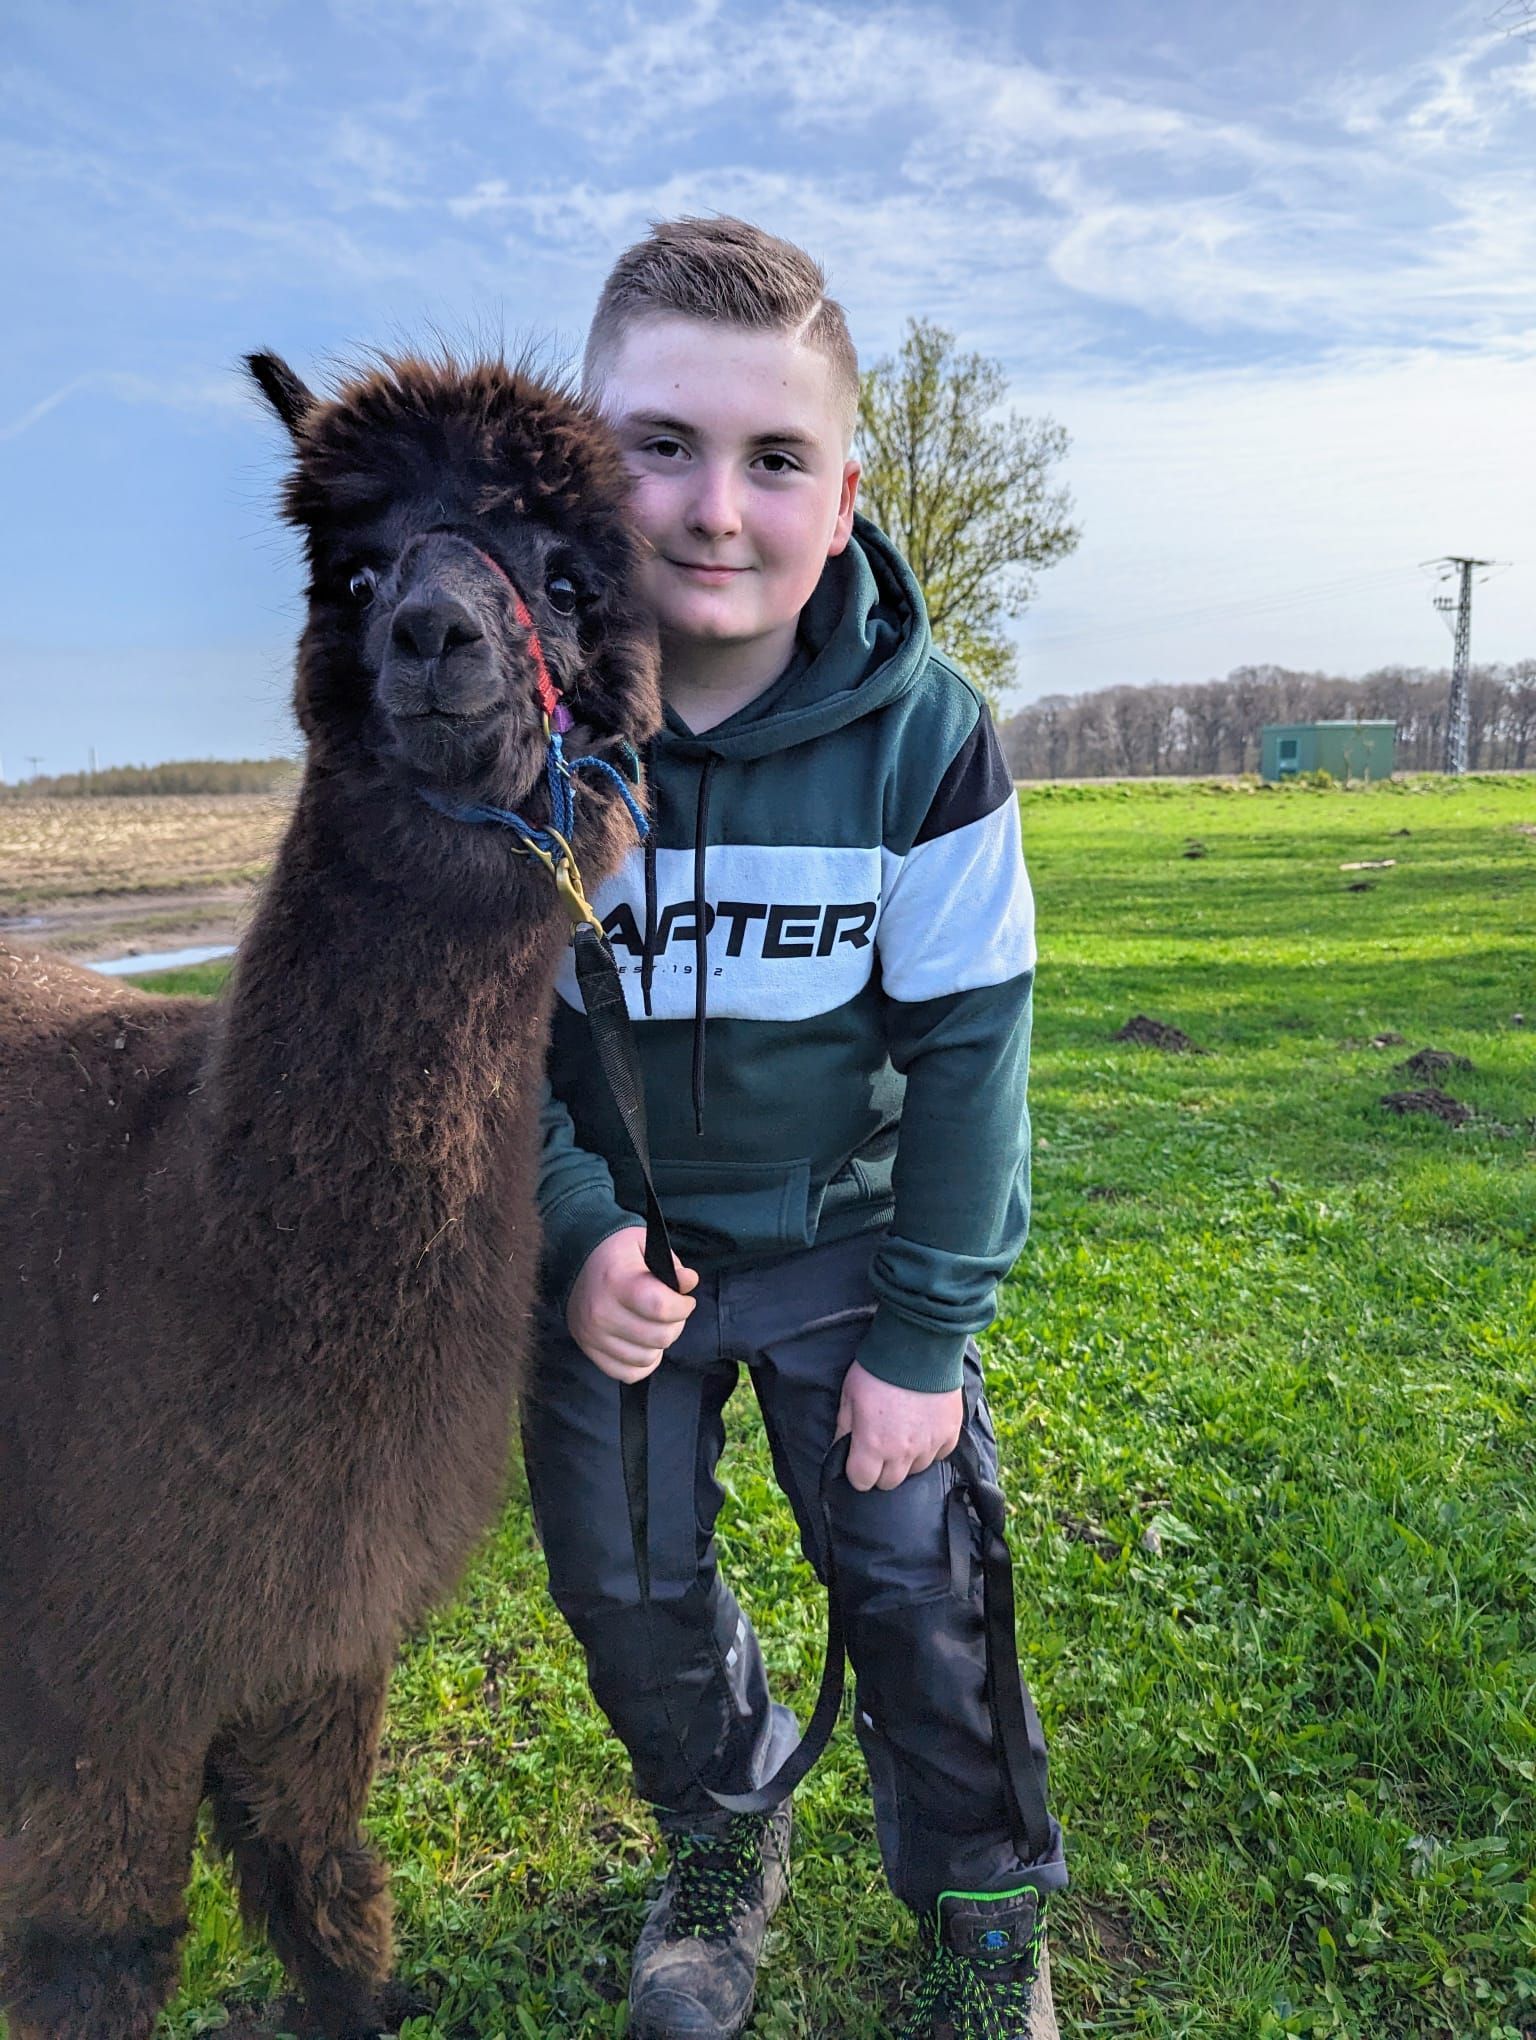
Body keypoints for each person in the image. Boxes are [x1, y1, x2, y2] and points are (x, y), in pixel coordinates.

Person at [525, 215, 1066, 2040]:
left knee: (920, 1577)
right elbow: (479, 1040)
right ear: (574, 457)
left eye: (774, 460)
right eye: (656, 445)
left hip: (841, 1239)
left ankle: (989, 1919)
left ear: (844, 495)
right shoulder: (511, 741)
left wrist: (924, 1340)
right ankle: (719, 1822)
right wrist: (577, 1223)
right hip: (626, 1255)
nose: (711, 508)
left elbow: (976, 1053)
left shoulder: (928, 743)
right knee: (622, 1577)